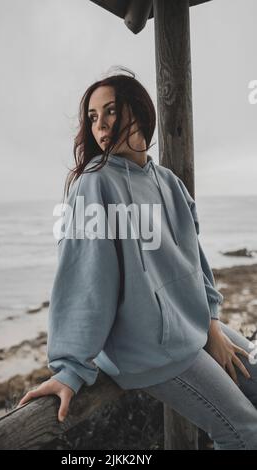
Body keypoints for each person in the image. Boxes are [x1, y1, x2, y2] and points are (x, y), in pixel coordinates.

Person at [17, 67, 257, 450]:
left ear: (139, 110)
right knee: (244, 431)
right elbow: (84, 280)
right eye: (93, 117)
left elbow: (195, 259)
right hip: (150, 350)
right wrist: (69, 369)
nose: (100, 124)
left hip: (192, 327)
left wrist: (211, 322)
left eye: (110, 111)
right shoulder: (94, 184)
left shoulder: (167, 181)